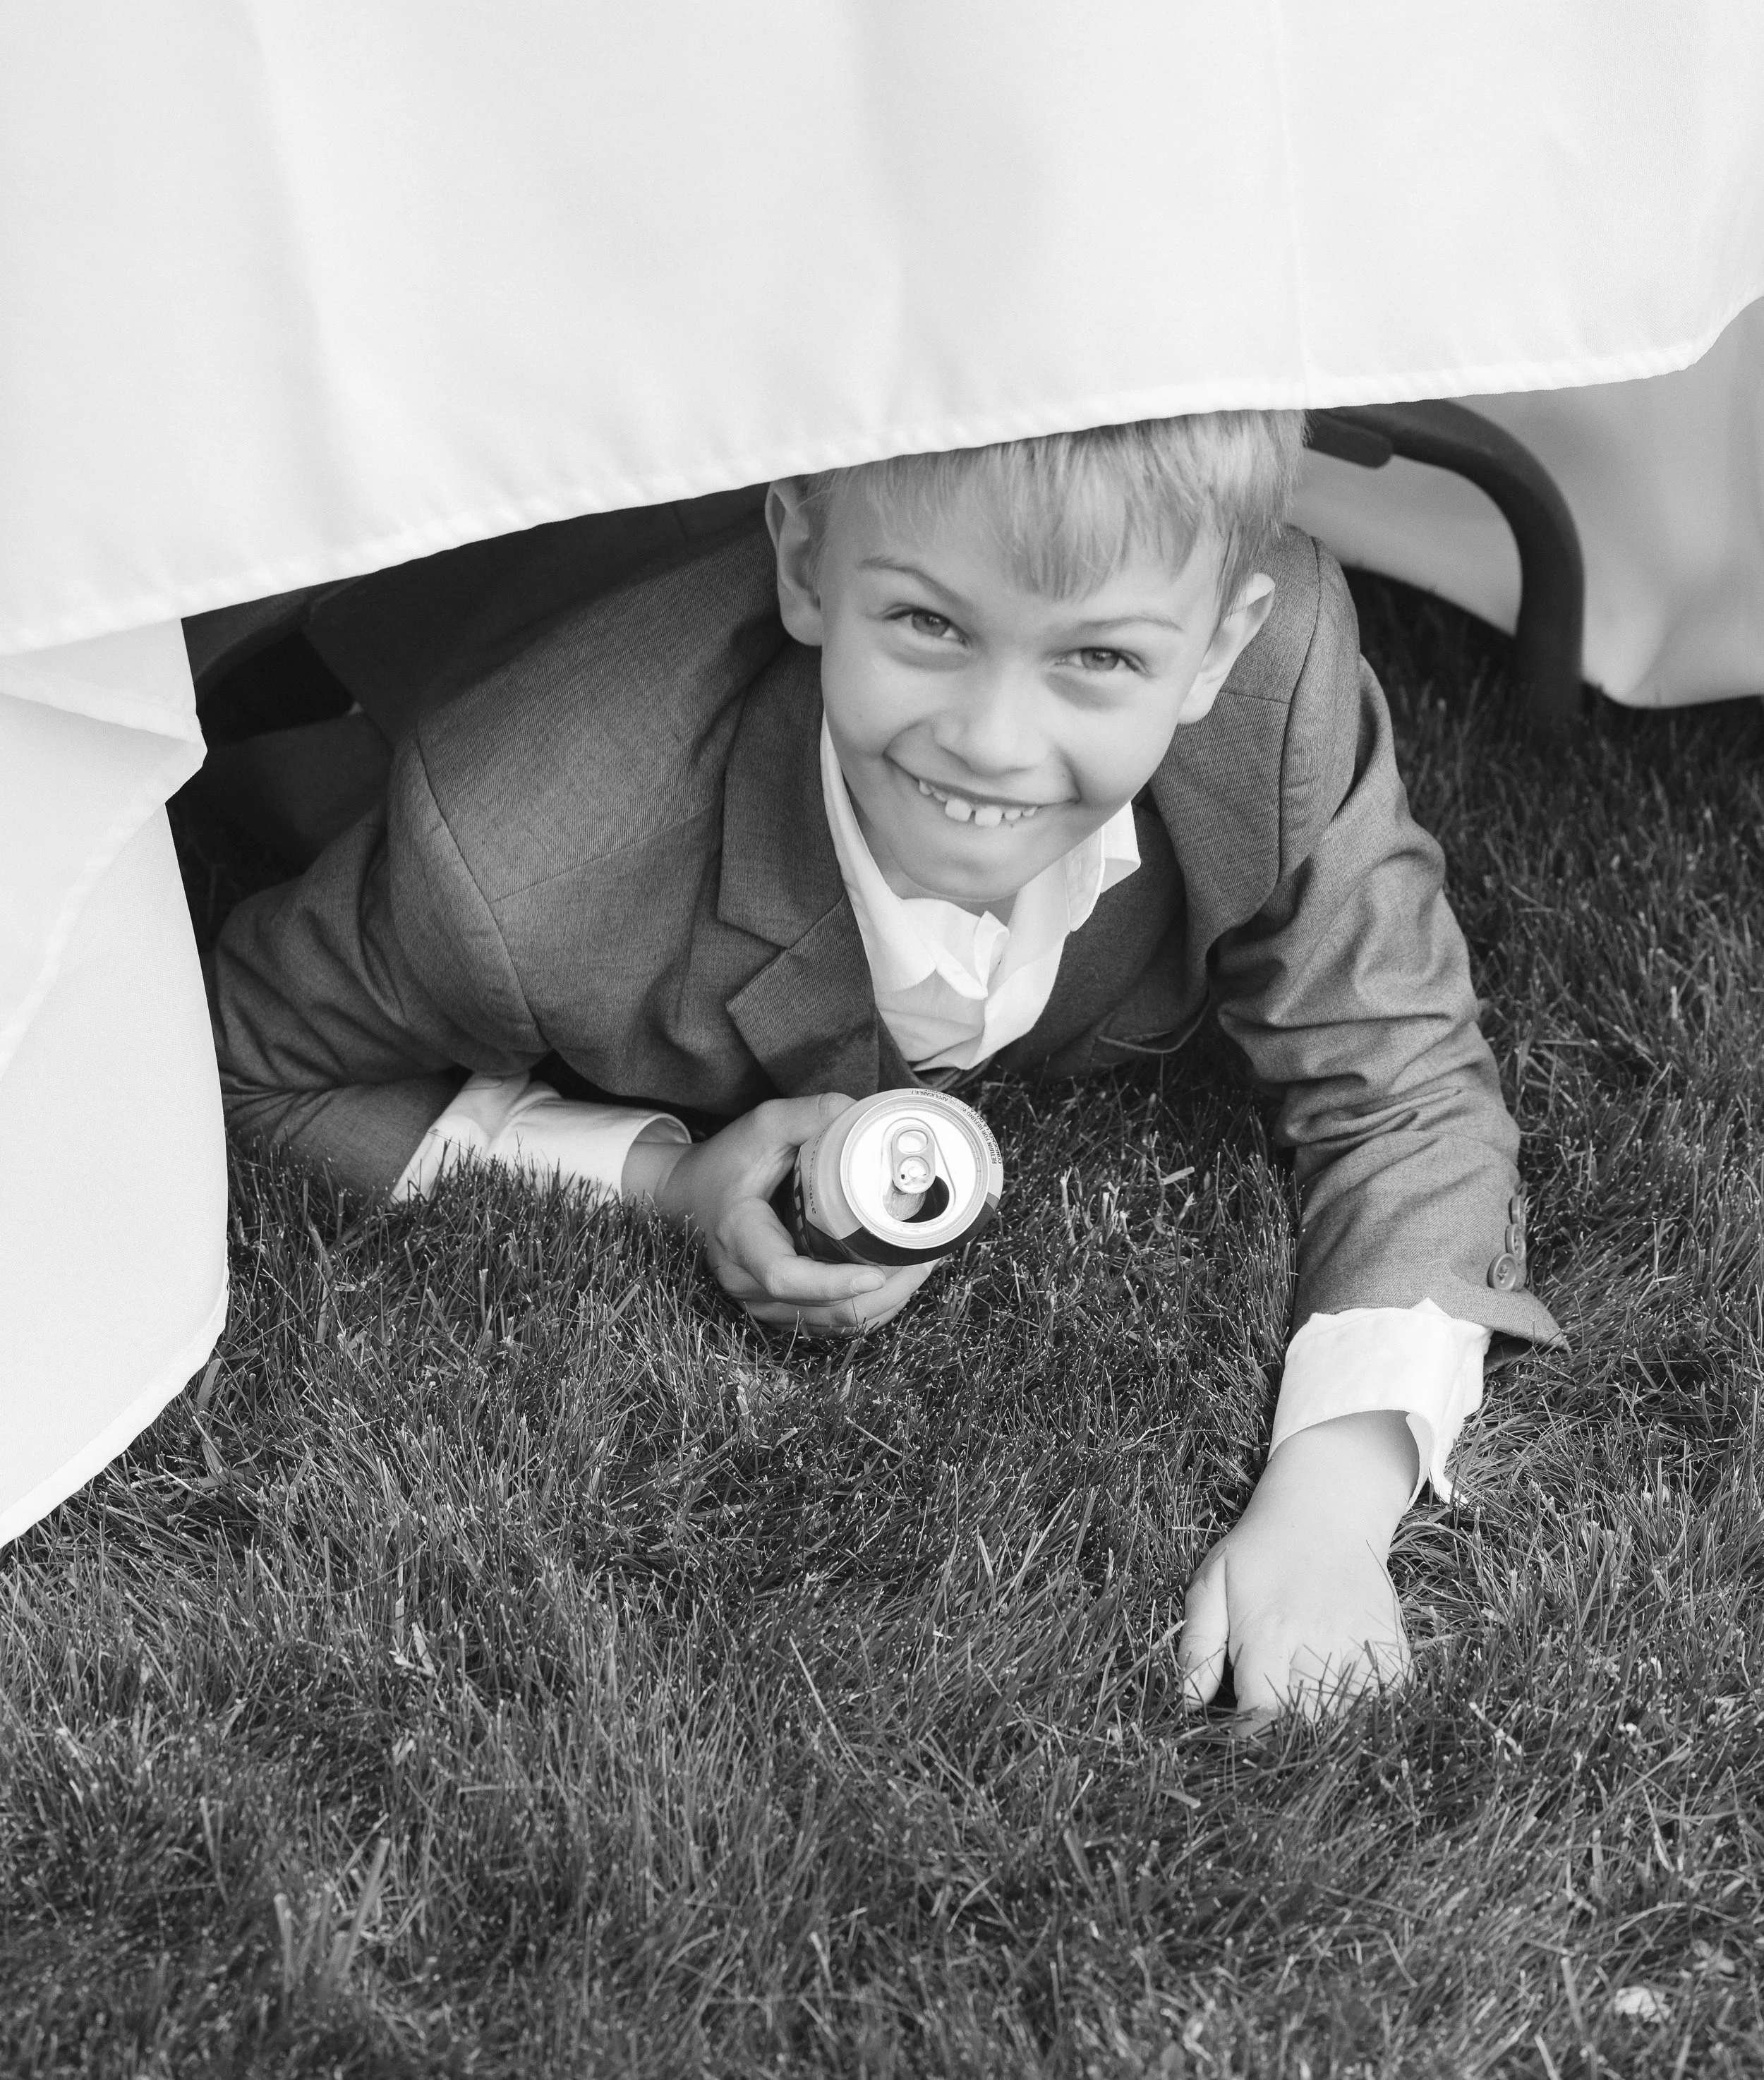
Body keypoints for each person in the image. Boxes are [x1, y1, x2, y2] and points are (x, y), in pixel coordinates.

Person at [208, 414, 1558, 1715]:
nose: (992, 739)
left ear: (1220, 648)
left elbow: (1408, 1081)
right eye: (928, 625)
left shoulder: (1276, 695)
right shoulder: (519, 859)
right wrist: (651, 1176)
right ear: (801, 562)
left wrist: (1328, 1514)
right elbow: (253, 1064)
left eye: (1097, 659)